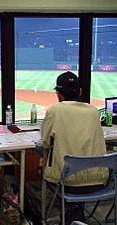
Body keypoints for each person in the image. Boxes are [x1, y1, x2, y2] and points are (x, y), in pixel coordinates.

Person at [40, 71, 108, 224]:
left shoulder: (55, 110)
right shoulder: (93, 111)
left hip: (66, 183)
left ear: (58, 94)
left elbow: (44, 142)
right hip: (99, 182)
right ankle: (76, 210)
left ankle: (61, 212)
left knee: (44, 158)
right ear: (80, 92)